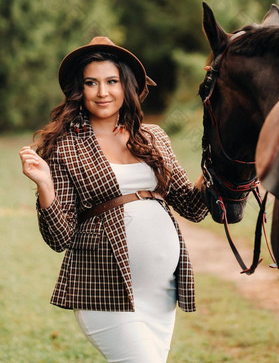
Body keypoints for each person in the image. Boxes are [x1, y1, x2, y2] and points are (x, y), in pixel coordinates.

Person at [19, 36, 208, 363]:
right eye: (91, 83)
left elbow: (192, 206)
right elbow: (59, 237)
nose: (102, 92)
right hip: (103, 290)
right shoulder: (63, 146)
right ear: (80, 89)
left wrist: (217, 164)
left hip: (160, 294)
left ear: (127, 86)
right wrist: (44, 185)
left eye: (112, 81)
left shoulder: (153, 137)